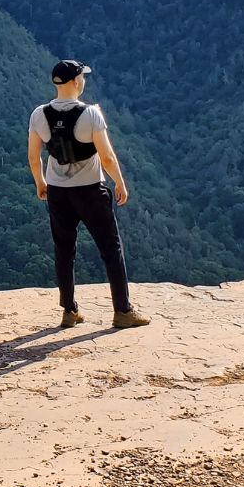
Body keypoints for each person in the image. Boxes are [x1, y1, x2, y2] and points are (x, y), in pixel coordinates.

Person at [28, 60, 150, 330]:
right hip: (90, 191)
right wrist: (120, 183)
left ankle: (69, 311)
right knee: (111, 249)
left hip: (58, 193)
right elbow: (106, 157)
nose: (83, 80)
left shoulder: (39, 115)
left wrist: (40, 182)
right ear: (75, 81)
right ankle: (123, 311)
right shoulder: (91, 114)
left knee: (64, 250)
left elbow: (34, 157)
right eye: (82, 76)